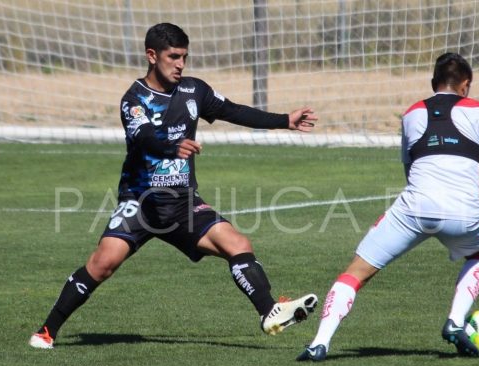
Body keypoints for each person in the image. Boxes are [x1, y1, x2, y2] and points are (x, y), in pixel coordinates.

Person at [29, 23, 319, 349]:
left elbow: (233, 110)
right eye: (173, 56)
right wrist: (172, 147)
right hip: (141, 203)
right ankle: (46, 331)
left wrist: (284, 121)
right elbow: (143, 138)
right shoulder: (135, 99)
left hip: (182, 204)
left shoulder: (194, 91)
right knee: (103, 264)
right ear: (152, 56)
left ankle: (269, 312)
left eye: (184, 57)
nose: (180, 64)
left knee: (237, 243)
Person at [296, 52, 479, 361]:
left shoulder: (411, 113)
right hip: (463, 215)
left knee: (356, 273)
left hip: (413, 209)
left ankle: (319, 343)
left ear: (434, 84)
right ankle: (455, 323)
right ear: (466, 85)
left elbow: (413, 166)